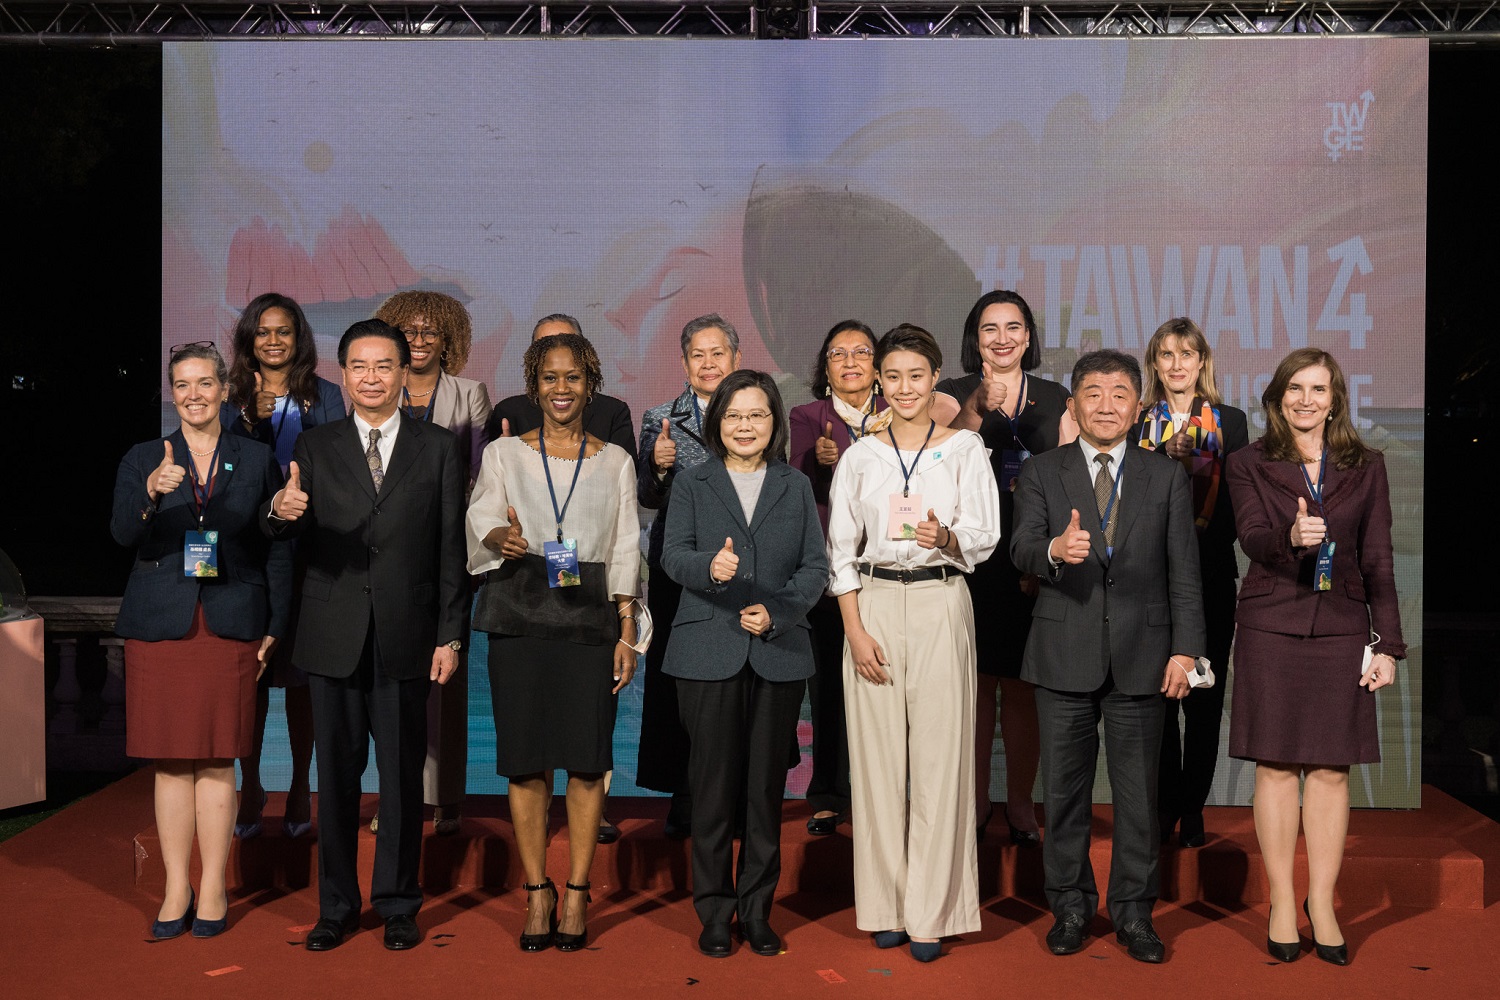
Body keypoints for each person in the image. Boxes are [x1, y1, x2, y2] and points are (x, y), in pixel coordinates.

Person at [263, 319, 467, 952]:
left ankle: (399, 903)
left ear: (405, 374)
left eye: (384, 366)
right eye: (359, 366)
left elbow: (450, 551)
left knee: (404, 779)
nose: (371, 378)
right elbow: (284, 534)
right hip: (331, 634)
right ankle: (336, 907)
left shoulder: (437, 447)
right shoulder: (317, 446)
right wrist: (279, 513)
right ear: (343, 375)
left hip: (408, 634)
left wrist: (451, 635)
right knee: (338, 779)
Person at [1009, 348, 1206, 964]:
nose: (1106, 405)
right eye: (1092, 393)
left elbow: (1186, 575)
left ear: (1137, 406)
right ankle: (1069, 906)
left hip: (1144, 656)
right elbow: (1019, 548)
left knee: (1138, 798)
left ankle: (1134, 913)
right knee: (1064, 795)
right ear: (1073, 403)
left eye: (1119, 394)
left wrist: (1186, 651)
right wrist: (1053, 552)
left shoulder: (1165, 476)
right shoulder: (1042, 470)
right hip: (1062, 651)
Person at [826, 324, 1000, 963]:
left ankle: (932, 912)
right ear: (880, 381)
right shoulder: (860, 457)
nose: (903, 388)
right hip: (870, 603)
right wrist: (853, 628)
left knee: (938, 762)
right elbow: (840, 551)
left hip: (938, 599)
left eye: (916, 376)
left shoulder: (965, 450)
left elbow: (983, 536)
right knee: (876, 765)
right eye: (892, 376)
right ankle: (887, 906)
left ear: (935, 382)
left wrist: (945, 538)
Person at [1226, 348, 1403, 966]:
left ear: (1335, 400)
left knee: (1330, 771)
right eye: (1294, 388)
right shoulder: (1247, 461)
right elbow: (1249, 535)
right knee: (1274, 767)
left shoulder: (1367, 465)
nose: (1306, 399)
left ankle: (1320, 903)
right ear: (1276, 398)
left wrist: (1389, 646)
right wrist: (1289, 538)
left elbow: (1378, 556)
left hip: (1342, 627)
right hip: (1271, 623)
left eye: (1318, 389)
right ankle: (1281, 901)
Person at [466, 332, 640, 952]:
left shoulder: (616, 460)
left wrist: (629, 633)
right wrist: (495, 537)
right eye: (548, 377)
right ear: (532, 384)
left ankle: (577, 890)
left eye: (572, 378)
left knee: (588, 761)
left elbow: (625, 549)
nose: (560, 389)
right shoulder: (505, 453)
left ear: (589, 384)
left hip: (591, 624)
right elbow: (480, 514)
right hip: (519, 614)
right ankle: (537, 890)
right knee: (524, 760)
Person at [112, 342, 291, 939]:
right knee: (171, 762)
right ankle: (175, 887)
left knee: (218, 759)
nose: (194, 394)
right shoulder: (143, 457)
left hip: (230, 619)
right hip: (162, 622)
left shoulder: (256, 456)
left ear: (224, 389)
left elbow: (272, 542)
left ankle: (212, 885)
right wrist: (152, 493)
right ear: (173, 392)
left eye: (205, 383)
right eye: (182, 384)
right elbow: (120, 533)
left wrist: (275, 623)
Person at [663, 370, 828, 958]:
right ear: (717, 423)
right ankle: (713, 912)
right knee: (711, 791)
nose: (745, 426)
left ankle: (757, 912)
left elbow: (815, 568)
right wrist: (711, 568)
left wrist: (778, 613)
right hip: (706, 650)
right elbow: (672, 556)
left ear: (774, 423)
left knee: (764, 794)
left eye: (756, 415)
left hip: (777, 653)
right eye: (734, 416)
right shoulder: (693, 482)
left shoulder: (795, 485)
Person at [939, 290, 1076, 845]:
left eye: (1012, 327)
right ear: (975, 338)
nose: (1001, 338)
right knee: (972, 689)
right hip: (968, 555)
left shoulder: (1056, 395)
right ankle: (974, 803)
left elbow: (1070, 473)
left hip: (1034, 554)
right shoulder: (950, 393)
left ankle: (1020, 802)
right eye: (989, 328)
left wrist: (1042, 558)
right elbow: (941, 457)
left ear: (1028, 336)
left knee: (1022, 687)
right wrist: (978, 405)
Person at [221, 292, 345, 841]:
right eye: (263, 331)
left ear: (299, 340)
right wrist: (247, 420)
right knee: (249, 677)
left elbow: (340, 469)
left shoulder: (326, 396)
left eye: (284, 332)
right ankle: (250, 785)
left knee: (301, 681)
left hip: (309, 556)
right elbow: (218, 470)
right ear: (249, 339)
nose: (273, 341)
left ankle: (298, 783)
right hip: (246, 556)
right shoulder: (227, 398)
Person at [373, 291, 493, 835]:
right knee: (387, 682)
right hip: (386, 554)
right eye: (409, 332)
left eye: (430, 333)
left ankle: (446, 800)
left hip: (448, 552)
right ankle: (396, 799)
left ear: (450, 340)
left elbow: (478, 478)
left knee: (445, 681)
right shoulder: (378, 391)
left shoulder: (470, 395)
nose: (419, 342)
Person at [1133, 318, 1249, 848]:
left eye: (1187, 354)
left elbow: (1238, 505)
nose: (1177, 365)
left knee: (1204, 697)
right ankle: (1164, 807)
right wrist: (1160, 463)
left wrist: (1191, 468)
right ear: (1154, 364)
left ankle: (1193, 808)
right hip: (1150, 579)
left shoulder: (1231, 421)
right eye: (1166, 355)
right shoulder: (1137, 421)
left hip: (1208, 574)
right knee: (1158, 698)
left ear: (1203, 361)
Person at [636, 313, 742, 837]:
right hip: (677, 569)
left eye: (717, 353)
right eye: (697, 355)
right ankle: (684, 789)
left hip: (741, 566)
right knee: (678, 678)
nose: (708, 363)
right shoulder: (661, 417)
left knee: (736, 676)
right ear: (683, 363)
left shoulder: (756, 412)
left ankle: (735, 794)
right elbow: (646, 497)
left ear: (736, 359)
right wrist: (657, 467)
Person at [788, 320, 888, 836]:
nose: (850, 362)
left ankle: (885, 794)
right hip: (830, 576)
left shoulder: (899, 415)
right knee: (827, 689)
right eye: (838, 354)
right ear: (825, 368)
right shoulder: (808, 416)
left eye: (861, 353)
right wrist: (819, 461)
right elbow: (796, 485)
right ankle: (827, 793)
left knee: (887, 687)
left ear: (877, 365)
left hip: (890, 572)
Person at [487, 314, 638, 460]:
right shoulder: (508, 412)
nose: (557, 353)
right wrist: (502, 462)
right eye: (545, 347)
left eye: (567, 344)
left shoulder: (613, 413)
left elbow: (630, 477)